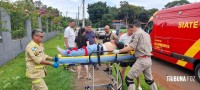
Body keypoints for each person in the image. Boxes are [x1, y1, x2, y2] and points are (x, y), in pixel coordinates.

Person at [113, 21, 157, 90]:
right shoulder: (147, 34)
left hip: (141, 60)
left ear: (134, 26)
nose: (132, 29)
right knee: (149, 80)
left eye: (132, 28)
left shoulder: (136, 33)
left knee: (128, 79)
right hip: (148, 59)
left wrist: (119, 51)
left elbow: (131, 47)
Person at [119, 25, 142, 90]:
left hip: (132, 56)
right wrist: (123, 48)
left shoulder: (134, 36)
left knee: (136, 71)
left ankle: (139, 85)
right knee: (123, 70)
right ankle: (121, 84)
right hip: (124, 55)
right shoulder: (122, 36)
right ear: (127, 29)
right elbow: (119, 45)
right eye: (131, 30)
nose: (132, 32)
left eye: (132, 30)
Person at [57, 40, 124, 56]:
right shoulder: (113, 43)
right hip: (96, 46)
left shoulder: (114, 49)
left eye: (117, 42)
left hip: (98, 49)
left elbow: (116, 51)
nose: (116, 41)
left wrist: (115, 50)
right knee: (82, 49)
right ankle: (67, 51)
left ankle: (66, 53)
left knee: (82, 51)